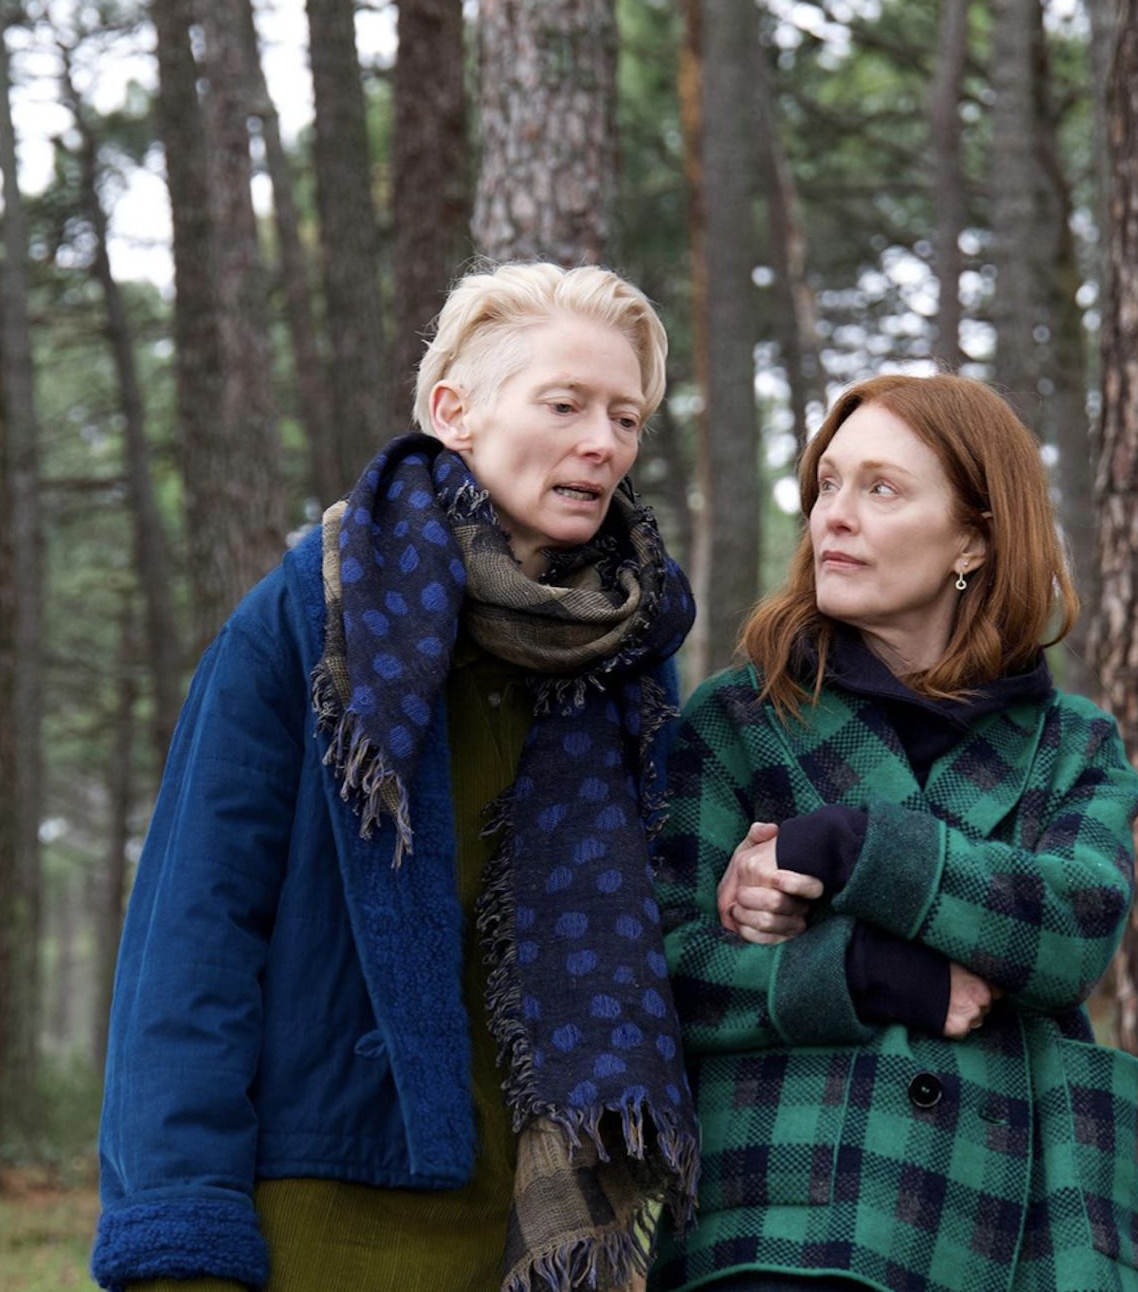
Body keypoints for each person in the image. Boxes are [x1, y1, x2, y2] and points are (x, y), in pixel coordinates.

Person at [90, 263, 700, 1292]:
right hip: (330, 1215)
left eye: (626, 416)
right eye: (565, 404)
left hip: (552, 1231)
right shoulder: (310, 617)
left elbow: (667, 914)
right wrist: (180, 1240)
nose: (602, 442)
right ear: (455, 412)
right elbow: (194, 941)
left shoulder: (630, 651)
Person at [648, 374, 1138, 1292]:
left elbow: (1073, 933)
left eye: (881, 489)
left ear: (973, 538)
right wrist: (867, 974)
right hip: (784, 1229)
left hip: (1023, 1236)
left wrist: (850, 844)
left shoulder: (1073, 746)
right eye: (827, 484)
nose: (833, 517)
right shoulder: (737, 722)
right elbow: (668, 976)